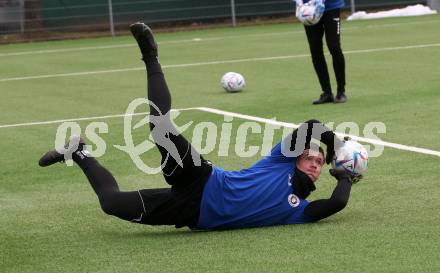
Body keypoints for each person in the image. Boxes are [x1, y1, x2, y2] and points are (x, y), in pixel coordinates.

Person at [38, 23, 361, 230]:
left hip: (190, 214)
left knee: (111, 203)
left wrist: (344, 176)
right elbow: (313, 125)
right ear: (295, 158)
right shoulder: (279, 162)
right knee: (160, 126)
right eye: (311, 158)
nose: (316, 164)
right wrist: (333, 148)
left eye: (319, 162)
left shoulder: (298, 211)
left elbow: (336, 204)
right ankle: (151, 56)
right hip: (203, 179)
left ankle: (79, 152)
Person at [299, 0, 347, 104]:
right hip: (310, 9)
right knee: (315, 49)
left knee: (334, 46)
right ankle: (327, 93)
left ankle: (341, 91)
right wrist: (299, 4)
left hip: (331, 6)